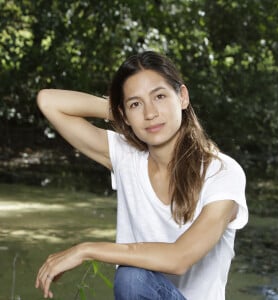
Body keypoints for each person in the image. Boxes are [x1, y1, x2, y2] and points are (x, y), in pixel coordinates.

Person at [35, 51, 248, 300]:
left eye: (159, 97)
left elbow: (180, 258)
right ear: (123, 113)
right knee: (132, 276)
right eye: (136, 103)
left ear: (182, 97)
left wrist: (86, 249)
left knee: (132, 277)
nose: (150, 113)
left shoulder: (221, 172)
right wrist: (127, 116)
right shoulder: (127, 157)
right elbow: (48, 101)